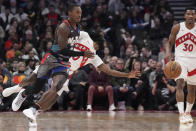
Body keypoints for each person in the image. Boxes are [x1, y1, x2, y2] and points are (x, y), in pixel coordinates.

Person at [4, 31, 140, 121]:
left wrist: (127, 74)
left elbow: (108, 70)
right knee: (32, 80)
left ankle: (33, 108)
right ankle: (19, 90)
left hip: (65, 71)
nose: (103, 47)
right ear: (97, 42)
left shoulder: (95, 57)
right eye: (102, 44)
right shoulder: (85, 36)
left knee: (52, 98)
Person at [11, 4, 94, 113]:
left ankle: (34, 110)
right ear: (70, 13)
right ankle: (22, 94)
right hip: (52, 59)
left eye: (80, 12)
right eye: (77, 12)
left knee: (56, 87)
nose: (80, 15)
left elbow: (71, 48)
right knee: (36, 87)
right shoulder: (63, 27)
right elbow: (63, 50)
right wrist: (83, 53)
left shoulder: (78, 28)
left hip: (63, 62)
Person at [166, 7, 196, 124]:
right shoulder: (177, 27)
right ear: (184, 16)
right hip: (181, 60)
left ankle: (188, 112)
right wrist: (169, 58)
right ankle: (181, 114)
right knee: (180, 84)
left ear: (195, 16)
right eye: (188, 14)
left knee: (192, 90)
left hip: (194, 61)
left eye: (192, 14)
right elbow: (169, 44)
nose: (190, 16)